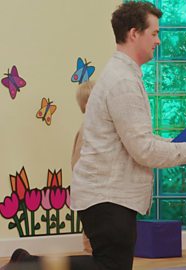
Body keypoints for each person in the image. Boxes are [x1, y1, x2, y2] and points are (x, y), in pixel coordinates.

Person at [1, 2, 186, 270]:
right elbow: (143, 150)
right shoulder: (123, 82)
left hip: (108, 196)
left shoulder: (124, 75)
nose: (158, 40)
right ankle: (27, 265)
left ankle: (26, 262)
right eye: (154, 33)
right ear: (134, 33)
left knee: (109, 264)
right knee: (110, 266)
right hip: (108, 197)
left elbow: (139, 139)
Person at [71, 80, 94, 255]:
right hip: (88, 188)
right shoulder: (88, 127)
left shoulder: (94, 126)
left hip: (89, 188)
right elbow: (77, 160)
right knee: (92, 234)